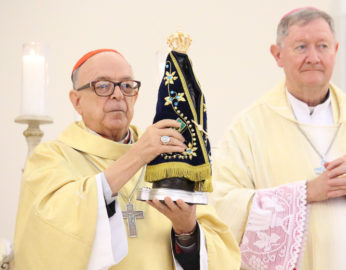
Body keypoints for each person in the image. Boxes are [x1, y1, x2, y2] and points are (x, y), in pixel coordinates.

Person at [212, 7, 346, 270]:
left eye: (322, 46)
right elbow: (222, 205)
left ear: (335, 50)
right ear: (277, 54)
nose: (313, 57)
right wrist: (304, 193)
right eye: (301, 47)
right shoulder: (248, 128)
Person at [14, 49, 240, 269]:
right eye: (102, 86)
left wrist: (186, 231)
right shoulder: (52, 157)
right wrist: (137, 155)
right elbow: (47, 237)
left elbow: (220, 253)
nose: (118, 94)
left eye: (127, 86)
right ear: (76, 101)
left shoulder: (166, 156)